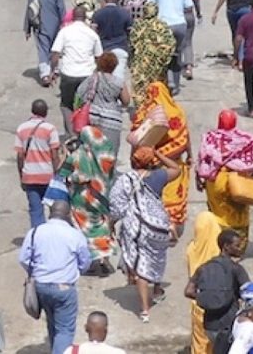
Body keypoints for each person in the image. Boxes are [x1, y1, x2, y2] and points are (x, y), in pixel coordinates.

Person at [109, 145, 180, 322]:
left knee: (141, 266)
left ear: (133, 161)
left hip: (135, 229)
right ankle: (156, 290)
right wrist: (158, 153)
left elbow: (117, 206)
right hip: (157, 227)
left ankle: (145, 310)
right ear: (151, 163)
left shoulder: (125, 180)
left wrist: (112, 223)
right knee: (156, 257)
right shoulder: (158, 177)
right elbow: (176, 169)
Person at [18, 201, 92, 354]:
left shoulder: (35, 232)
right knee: (64, 330)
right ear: (67, 215)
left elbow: (24, 259)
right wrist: (75, 271)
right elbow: (85, 262)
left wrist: (37, 272)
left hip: (41, 286)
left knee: (52, 324)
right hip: (64, 288)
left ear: (50, 213)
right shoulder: (75, 235)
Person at [196, 109, 253, 253]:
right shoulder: (243, 139)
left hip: (215, 181)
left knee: (218, 212)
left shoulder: (210, 137)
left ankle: (218, 244)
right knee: (238, 213)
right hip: (235, 182)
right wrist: (250, 170)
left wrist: (199, 179)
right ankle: (237, 248)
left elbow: (202, 159)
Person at [130, 77, 192, 236]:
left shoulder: (144, 112)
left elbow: (136, 138)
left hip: (151, 166)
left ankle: (155, 225)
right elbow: (186, 136)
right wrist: (190, 155)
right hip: (174, 162)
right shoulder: (176, 111)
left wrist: (135, 159)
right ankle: (172, 226)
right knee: (172, 194)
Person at [58, 126, 116, 275]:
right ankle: (105, 257)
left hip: (82, 198)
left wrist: (64, 156)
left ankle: (91, 262)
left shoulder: (78, 155)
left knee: (85, 230)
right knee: (102, 227)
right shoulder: (106, 155)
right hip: (101, 198)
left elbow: (63, 173)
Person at [184, 229, 250, 345]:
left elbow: (188, 291)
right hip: (229, 324)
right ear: (226, 246)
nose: (240, 248)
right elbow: (249, 293)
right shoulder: (236, 269)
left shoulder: (203, 267)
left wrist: (206, 296)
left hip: (209, 325)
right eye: (237, 245)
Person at [50, 6, 103, 136]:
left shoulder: (65, 31)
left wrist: (53, 71)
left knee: (66, 104)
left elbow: (55, 54)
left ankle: (71, 134)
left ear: (73, 17)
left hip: (69, 74)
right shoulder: (92, 34)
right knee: (85, 106)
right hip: (86, 74)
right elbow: (99, 57)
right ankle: (85, 133)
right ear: (85, 18)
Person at [15, 99, 61, 227]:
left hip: (29, 176)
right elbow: (55, 156)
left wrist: (21, 176)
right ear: (45, 113)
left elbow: (19, 156)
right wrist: (58, 174)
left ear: (32, 111)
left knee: (36, 211)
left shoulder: (21, 128)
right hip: (47, 176)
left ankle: (37, 238)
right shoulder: (50, 129)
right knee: (54, 209)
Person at [74, 52, 130, 157]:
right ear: (114, 66)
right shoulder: (118, 82)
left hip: (92, 118)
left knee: (91, 151)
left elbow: (79, 94)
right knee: (109, 153)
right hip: (112, 121)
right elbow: (126, 101)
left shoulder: (92, 78)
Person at [148, 0, 193, 95]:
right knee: (177, 55)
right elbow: (189, 7)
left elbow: (149, 7)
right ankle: (176, 86)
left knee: (162, 55)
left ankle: (166, 83)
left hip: (162, 26)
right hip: (179, 25)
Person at [23, 0, 66, 86]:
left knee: (42, 49)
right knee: (55, 48)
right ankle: (55, 69)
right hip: (55, 25)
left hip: (40, 25)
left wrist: (27, 28)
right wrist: (64, 25)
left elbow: (29, 10)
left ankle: (45, 75)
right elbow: (61, 10)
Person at [185, 211, 221, 354]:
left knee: (199, 340)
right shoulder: (219, 253)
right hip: (217, 304)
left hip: (198, 301)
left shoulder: (191, 249)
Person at [128, 2, 175, 106]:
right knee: (156, 88)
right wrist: (164, 60)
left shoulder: (138, 25)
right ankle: (156, 112)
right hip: (157, 65)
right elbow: (170, 44)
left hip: (140, 64)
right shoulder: (162, 26)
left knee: (141, 89)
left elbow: (131, 43)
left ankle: (141, 113)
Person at [92, 0, 132, 81]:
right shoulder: (125, 13)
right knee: (118, 81)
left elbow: (93, 34)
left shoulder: (98, 14)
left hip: (104, 50)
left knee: (105, 80)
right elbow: (130, 32)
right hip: (121, 49)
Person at [172, 0, 202, 80]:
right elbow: (196, 1)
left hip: (176, 16)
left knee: (176, 42)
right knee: (188, 42)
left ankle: (177, 66)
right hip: (189, 15)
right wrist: (199, 14)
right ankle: (188, 67)